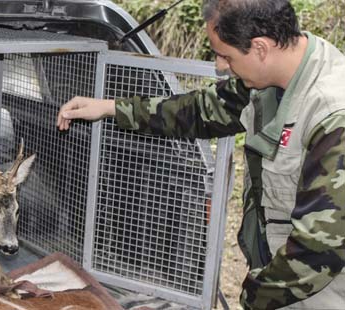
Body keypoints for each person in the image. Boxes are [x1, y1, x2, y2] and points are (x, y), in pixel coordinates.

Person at [57, 0, 345, 309]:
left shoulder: (332, 113)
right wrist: (110, 108)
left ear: (260, 48)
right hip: (282, 277)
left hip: (319, 292)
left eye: (225, 56)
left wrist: (252, 297)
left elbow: (318, 249)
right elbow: (199, 110)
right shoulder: (272, 76)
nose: (221, 66)